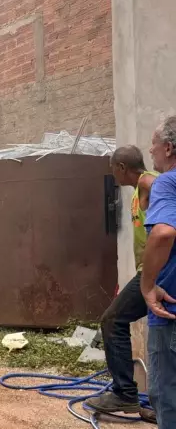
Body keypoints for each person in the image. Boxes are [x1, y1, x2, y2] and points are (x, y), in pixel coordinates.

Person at [85, 146, 157, 423]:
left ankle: (125, 392)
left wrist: (150, 276)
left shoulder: (150, 182)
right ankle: (157, 404)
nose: (112, 174)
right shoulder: (138, 192)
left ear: (122, 167)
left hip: (156, 274)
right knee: (161, 339)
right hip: (150, 272)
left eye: (113, 168)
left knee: (113, 320)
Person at [141, 116, 176, 427]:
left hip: (171, 312)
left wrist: (147, 284)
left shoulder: (168, 182)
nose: (150, 151)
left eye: (153, 145)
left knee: (168, 399)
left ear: (168, 147)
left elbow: (163, 232)